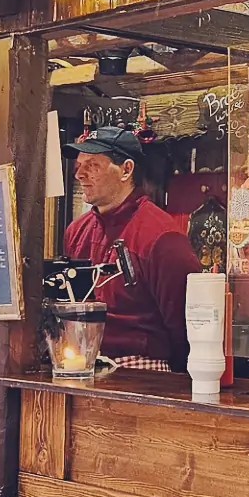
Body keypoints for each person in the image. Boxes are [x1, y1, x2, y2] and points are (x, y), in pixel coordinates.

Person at [63, 126, 201, 371]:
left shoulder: (162, 237)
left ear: (126, 169)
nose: (80, 175)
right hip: (84, 364)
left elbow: (187, 328)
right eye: (79, 166)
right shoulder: (76, 232)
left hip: (142, 371)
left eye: (93, 165)